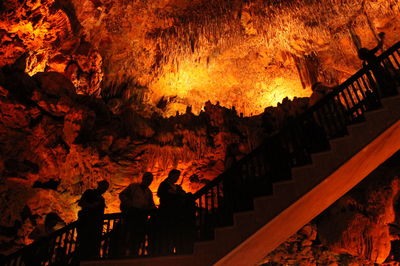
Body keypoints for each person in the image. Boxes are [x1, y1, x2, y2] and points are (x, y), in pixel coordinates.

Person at [156, 169, 195, 255]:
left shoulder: (177, 187)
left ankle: (175, 249)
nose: (177, 178)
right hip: (168, 213)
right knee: (168, 233)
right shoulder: (164, 185)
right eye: (176, 176)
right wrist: (175, 194)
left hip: (176, 214)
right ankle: (167, 251)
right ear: (171, 175)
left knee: (174, 233)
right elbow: (160, 194)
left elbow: (182, 194)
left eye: (178, 177)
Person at [119, 172, 156, 256]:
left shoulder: (149, 192)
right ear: (143, 179)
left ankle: (135, 252)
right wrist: (129, 204)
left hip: (142, 215)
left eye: (150, 180)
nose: (149, 181)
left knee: (139, 235)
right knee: (129, 233)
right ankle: (125, 253)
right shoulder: (134, 187)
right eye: (147, 179)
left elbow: (151, 204)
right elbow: (122, 195)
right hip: (132, 213)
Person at [77, 180, 109, 260]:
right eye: (103, 187)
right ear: (99, 186)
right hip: (86, 223)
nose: (104, 190)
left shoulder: (102, 200)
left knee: (93, 245)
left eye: (105, 188)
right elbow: (81, 203)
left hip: (96, 226)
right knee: (84, 243)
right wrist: (91, 206)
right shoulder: (89, 192)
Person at [358, 32, 397, 97]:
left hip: (375, 72)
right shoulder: (369, 54)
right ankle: (392, 91)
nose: (368, 49)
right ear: (366, 51)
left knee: (381, 82)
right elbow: (379, 46)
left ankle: (386, 93)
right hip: (379, 68)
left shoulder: (367, 59)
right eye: (366, 49)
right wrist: (382, 38)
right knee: (387, 79)